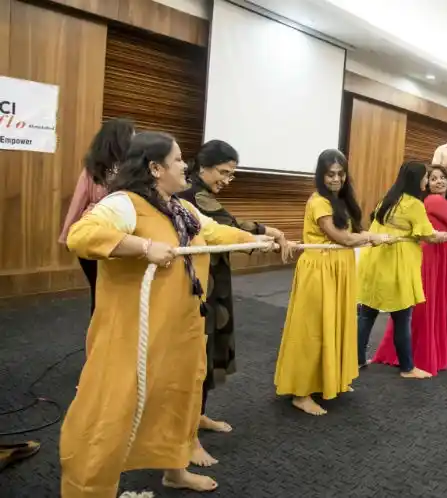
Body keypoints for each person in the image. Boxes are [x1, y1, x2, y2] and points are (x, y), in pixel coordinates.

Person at [59, 131, 260, 496]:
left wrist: (261, 240)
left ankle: (175, 471)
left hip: (181, 328)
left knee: (177, 399)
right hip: (132, 335)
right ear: (155, 168)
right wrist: (143, 246)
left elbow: (214, 232)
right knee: (110, 412)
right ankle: (87, 490)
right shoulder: (123, 204)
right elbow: (81, 235)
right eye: (178, 159)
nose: (185, 165)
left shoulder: (182, 209)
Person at [179, 140, 291, 463]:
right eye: (223, 172)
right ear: (203, 166)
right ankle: (185, 435)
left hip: (212, 276)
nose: (227, 180)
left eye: (231, 174)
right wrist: (267, 233)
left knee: (209, 346)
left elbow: (225, 227)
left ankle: (197, 416)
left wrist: (264, 234)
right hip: (199, 282)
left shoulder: (198, 194)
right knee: (198, 352)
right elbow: (227, 227)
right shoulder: (192, 195)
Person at [274, 149, 388, 416]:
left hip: (339, 269)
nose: (336, 179)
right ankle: (301, 393)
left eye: (340, 174)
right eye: (330, 174)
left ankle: (329, 379)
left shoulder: (341, 200)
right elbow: (344, 238)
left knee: (335, 324)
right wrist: (372, 237)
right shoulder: (318, 202)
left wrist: (369, 235)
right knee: (313, 329)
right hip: (319, 270)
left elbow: (351, 233)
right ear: (320, 175)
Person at [371, 166, 447, 375]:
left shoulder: (442, 202)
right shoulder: (434, 200)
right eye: (433, 178)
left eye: (442, 177)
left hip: (444, 258)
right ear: (426, 184)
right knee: (428, 303)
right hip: (435, 258)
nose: (439, 181)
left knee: (436, 302)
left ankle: (428, 349)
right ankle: (419, 353)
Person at [357, 161, 447, 379]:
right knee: (402, 317)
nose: (427, 181)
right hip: (396, 266)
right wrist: (440, 235)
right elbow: (426, 234)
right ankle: (408, 368)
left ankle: (358, 359)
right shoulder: (414, 204)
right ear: (417, 179)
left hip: (374, 262)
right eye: (426, 177)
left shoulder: (388, 199)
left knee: (367, 314)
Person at [59, 118, 136, 316]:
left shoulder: (93, 169)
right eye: (132, 135)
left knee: (100, 292)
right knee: (109, 293)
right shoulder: (132, 170)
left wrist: (67, 234)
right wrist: (68, 235)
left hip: (94, 232)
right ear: (122, 139)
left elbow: (78, 203)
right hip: (118, 236)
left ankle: (101, 332)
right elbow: (78, 201)